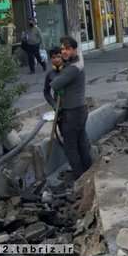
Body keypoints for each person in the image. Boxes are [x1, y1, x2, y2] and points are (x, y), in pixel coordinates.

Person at [51, 36, 92, 180]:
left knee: (70, 148)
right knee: (81, 143)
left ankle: (80, 177)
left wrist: (56, 75)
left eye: (68, 49)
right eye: (62, 48)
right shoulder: (77, 62)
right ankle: (89, 173)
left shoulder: (72, 69)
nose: (64, 51)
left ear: (74, 49)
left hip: (73, 113)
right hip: (80, 110)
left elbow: (55, 84)